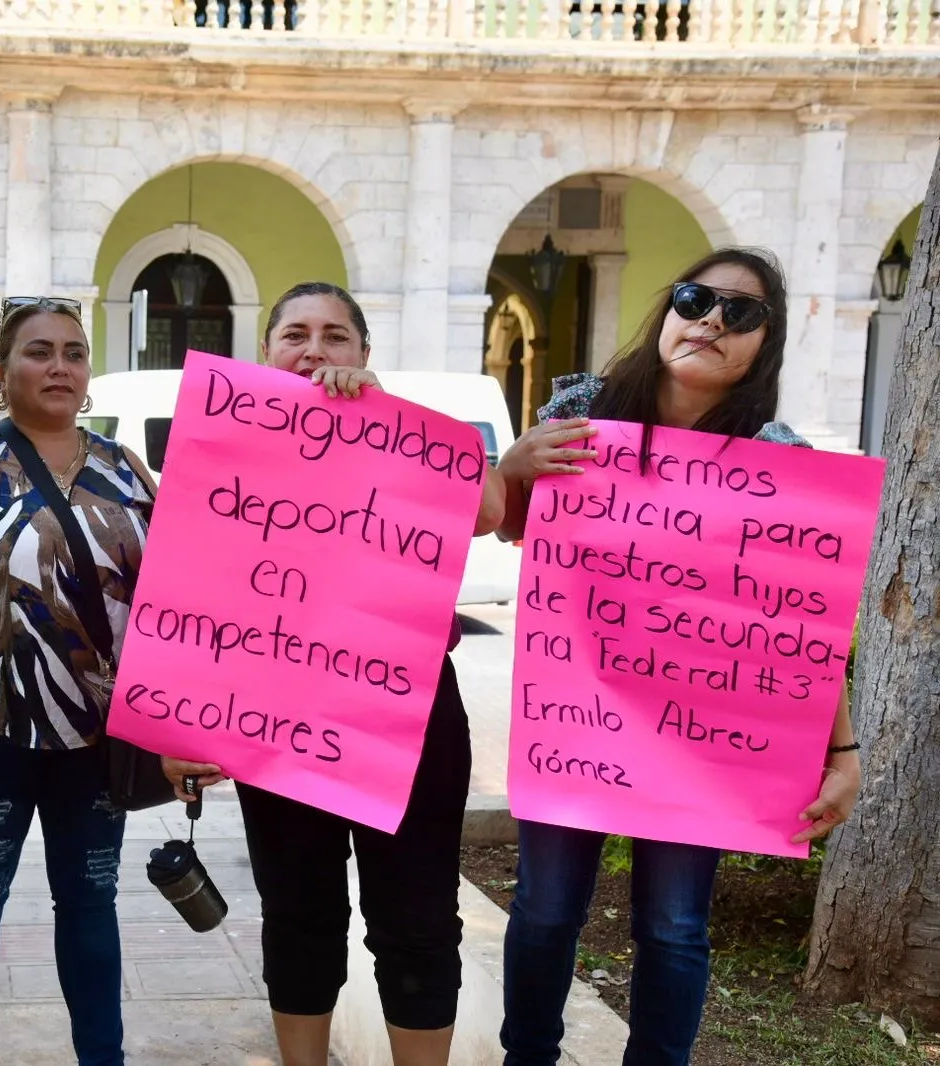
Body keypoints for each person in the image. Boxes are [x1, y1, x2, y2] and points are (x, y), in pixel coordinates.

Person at [491, 248, 863, 1066]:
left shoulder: (779, 457)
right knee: (546, 909)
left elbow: (806, 626)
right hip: (577, 717)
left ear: (765, 344)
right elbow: (504, 522)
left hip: (697, 739)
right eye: (697, 298)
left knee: (673, 924)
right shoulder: (582, 414)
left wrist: (842, 749)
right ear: (668, 308)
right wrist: (511, 466)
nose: (712, 322)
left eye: (743, 313)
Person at [162, 282, 507, 1066]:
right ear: (266, 352)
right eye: (295, 333)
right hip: (277, 713)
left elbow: (488, 507)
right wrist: (176, 730)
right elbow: (188, 591)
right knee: (297, 910)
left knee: (416, 916)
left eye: (334, 336)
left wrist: (386, 415)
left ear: (363, 354)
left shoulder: (413, 435)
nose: (314, 349)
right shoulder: (223, 444)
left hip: (408, 713)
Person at [0, 297, 154, 1066]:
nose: (59, 366)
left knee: (90, 896)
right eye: (38, 351)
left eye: (74, 352)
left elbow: (172, 598)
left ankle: (102, 1056)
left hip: (98, 733)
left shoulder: (128, 470)